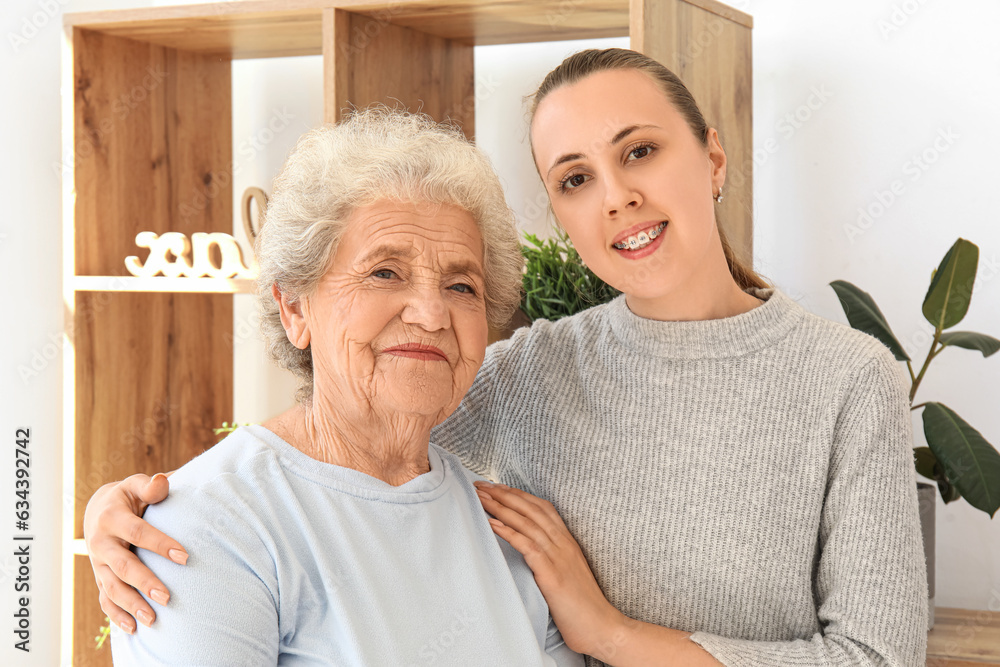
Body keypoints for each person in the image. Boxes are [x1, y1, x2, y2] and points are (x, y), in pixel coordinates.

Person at [87, 49, 928, 666]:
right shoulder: (531, 371)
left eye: (640, 151)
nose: (618, 195)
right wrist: (131, 510)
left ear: (712, 158)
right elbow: (348, 440)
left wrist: (612, 635)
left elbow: (878, 657)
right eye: (573, 178)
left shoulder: (849, 381)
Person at [98, 107, 582, 666]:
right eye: (385, 272)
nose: (431, 313)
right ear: (295, 308)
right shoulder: (207, 525)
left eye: (461, 285)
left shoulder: (512, 530)